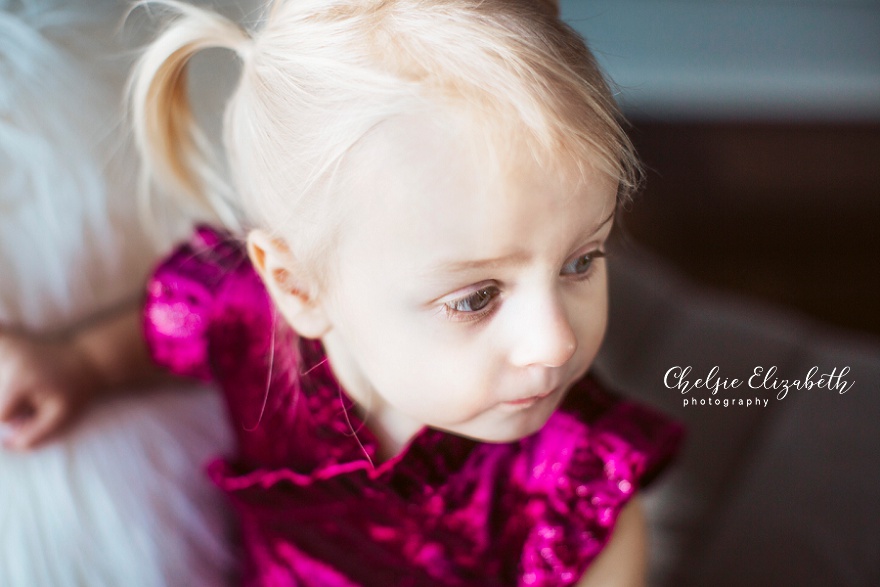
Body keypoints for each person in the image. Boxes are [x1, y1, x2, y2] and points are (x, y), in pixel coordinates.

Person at [1, 0, 683, 585]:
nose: (557, 340)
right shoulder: (249, 320)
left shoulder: (577, 485)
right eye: (476, 297)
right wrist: (82, 363)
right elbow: (168, 324)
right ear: (298, 286)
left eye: (581, 260)